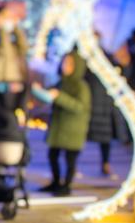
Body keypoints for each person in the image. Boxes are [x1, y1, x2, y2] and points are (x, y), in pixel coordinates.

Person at [32, 50, 92, 196]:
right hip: (59, 128)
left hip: (73, 129)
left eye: (70, 63)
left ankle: (66, 185)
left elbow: (80, 107)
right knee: (53, 155)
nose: (66, 66)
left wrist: (59, 97)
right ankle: (56, 182)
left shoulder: (81, 86)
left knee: (70, 159)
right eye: (65, 62)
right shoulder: (60, 82)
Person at [84, 40, 120, 176]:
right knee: (104, 138)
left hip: (95, 104)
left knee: (93, 137)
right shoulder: (107, 61)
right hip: (102, 105)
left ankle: (104, 163)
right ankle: (105, 163)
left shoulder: (89, 61)